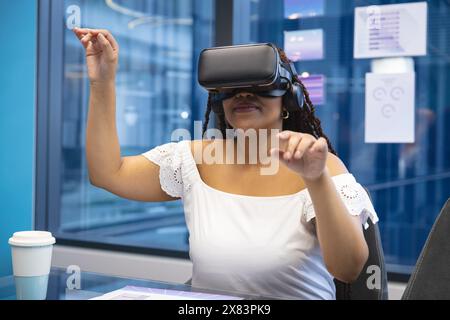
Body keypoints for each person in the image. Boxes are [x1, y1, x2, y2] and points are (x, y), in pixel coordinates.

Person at [73, 27, 379, 300]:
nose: (243, 95)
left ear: (289, 98)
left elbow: (348, 269)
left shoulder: (322, 166)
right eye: (230, 88)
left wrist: (316, 179)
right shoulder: (194, 160)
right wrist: (103, 81)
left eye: (257, 85)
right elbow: (107, 173)